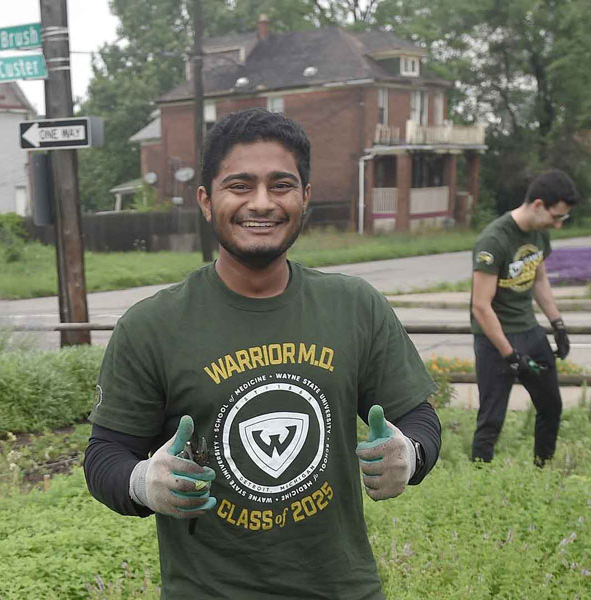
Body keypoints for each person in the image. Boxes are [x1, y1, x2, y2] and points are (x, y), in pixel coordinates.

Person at [84, 108, 441, 600]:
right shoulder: (152, 326)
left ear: (305, 197)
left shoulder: (355, 306)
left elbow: (417, 416)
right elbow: (105, 456)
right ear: (206, 201)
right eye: (240, 185)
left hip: (342, 589)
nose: (262, 203)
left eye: (281, 185)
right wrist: (143, 482)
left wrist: (411, 454)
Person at [470, 169, 580, 465]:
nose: (558, 225)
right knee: (491, 420)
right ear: (538, 205)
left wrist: (557, 324)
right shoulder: (494, 240)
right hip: (495, 340)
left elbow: (539, 279)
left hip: (530, 332)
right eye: (556, 217)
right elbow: (480, 306)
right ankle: (480, 484)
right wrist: (510, 355)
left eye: (562, 219)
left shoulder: (539, 233)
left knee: (551, 406)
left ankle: (541, 471)